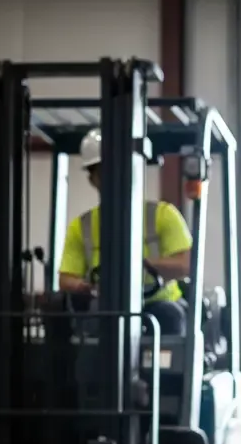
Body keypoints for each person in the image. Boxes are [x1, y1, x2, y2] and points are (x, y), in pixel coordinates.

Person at [57, 127, 193, 335]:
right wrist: (83, 286)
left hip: (158, 302)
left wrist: (142, 264)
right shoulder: (81, 226)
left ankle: (165, 368)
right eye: (104, 172)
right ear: (93, 179)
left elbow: (185, 265)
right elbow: (66, 278)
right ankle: (88, 368)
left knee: (168, 316)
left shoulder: (163, 215)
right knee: (88, 321)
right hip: (106, 306)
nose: (113, 177)